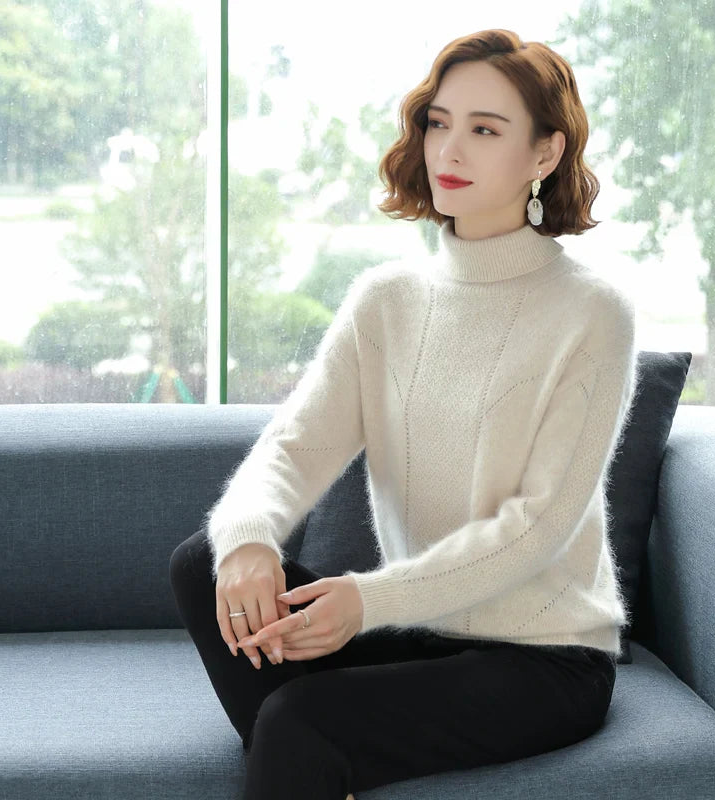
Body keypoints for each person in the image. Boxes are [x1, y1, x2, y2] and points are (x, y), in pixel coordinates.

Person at [169, 28, 638, 800]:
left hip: (544, 657)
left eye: (485, 130)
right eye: (438, 122)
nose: (449, 148)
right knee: (207, 562)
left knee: (295, 722)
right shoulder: (387, 299)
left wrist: (368, 601)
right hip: (421, 630)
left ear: (545, 153)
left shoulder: (592, 311)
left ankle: (314, 755)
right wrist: (249, 538)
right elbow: (294, 445)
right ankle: (325, 765)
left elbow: (539, 526)